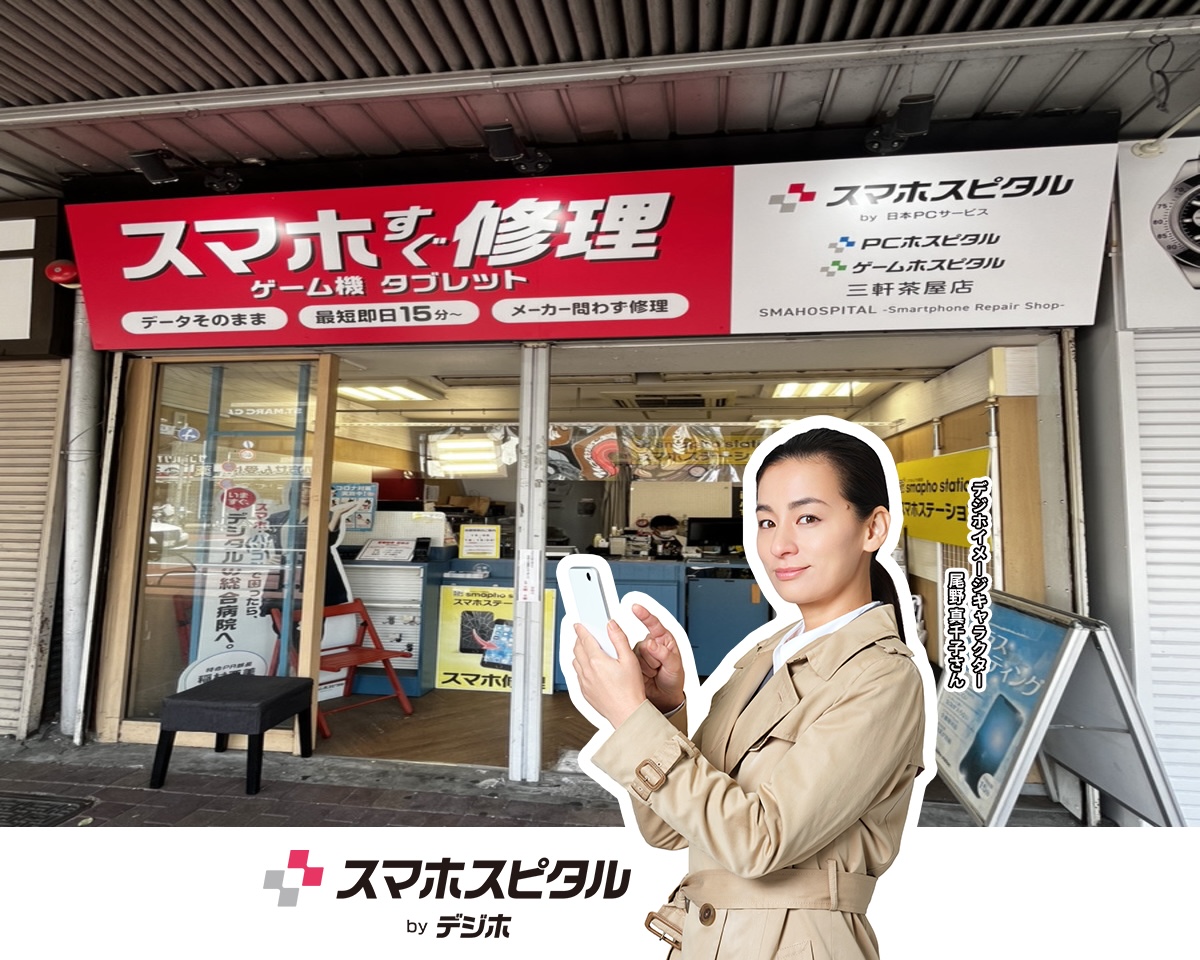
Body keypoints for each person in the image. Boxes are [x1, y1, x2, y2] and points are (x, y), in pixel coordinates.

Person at [570, 422, 928, 960]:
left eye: (808, 518)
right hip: (705, 939)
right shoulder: (767, 654)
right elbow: (667, 830)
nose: (780, 545)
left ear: (873, 528)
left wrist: (628, 716)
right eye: (765, 521)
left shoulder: (882, 677)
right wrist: (659, 709)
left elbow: (759, 843)